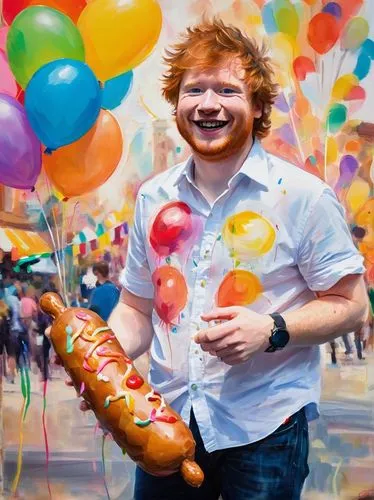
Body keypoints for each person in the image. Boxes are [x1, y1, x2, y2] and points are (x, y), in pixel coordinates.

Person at [68, 19, 368, 500]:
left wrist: (271, 329)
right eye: (195, 90)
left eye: (227, 89)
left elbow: (353, 305)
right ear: (178, 102)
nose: (208, 104)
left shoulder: (303, 197)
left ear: (256, 104)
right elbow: (136, 309)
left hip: (264, 429)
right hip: (163, 423)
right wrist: (103, 363)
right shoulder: (153, 198)